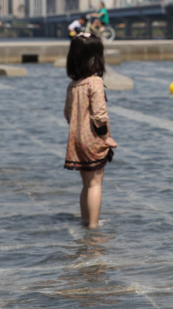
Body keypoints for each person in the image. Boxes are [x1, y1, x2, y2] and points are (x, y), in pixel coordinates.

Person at [64, 34, 117, 229]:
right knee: (96, 183)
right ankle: (94, 227)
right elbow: (100, 115)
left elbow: (67, 113)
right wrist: (106, 137)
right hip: (93, 139)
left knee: (86, 184)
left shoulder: (73, 85)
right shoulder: (94, 82)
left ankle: (86, 221)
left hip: (76, 139)